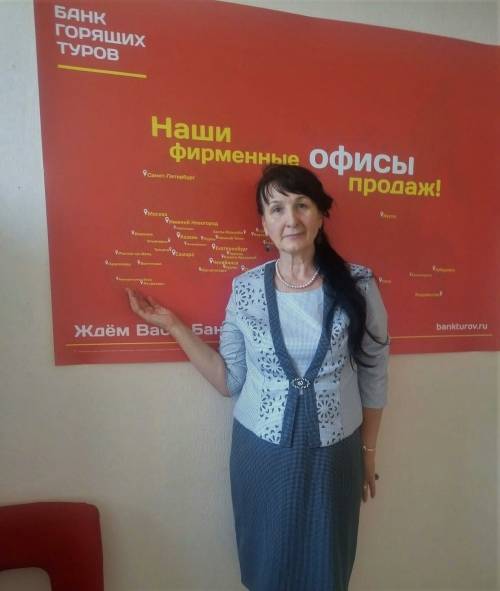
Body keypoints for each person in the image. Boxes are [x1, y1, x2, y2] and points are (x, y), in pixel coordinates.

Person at [126, 164, 389, 591]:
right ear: (264, 223)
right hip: (260, 454)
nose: (291, 219)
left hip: (335, 456)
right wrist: (174, 325)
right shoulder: (246, 289)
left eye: (302, 205)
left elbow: (375, 371)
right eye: (277, 208)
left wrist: (369, 451)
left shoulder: (358, 284)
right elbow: (229, 380)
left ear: (321, 215)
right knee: (267, 569)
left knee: (328, 567)